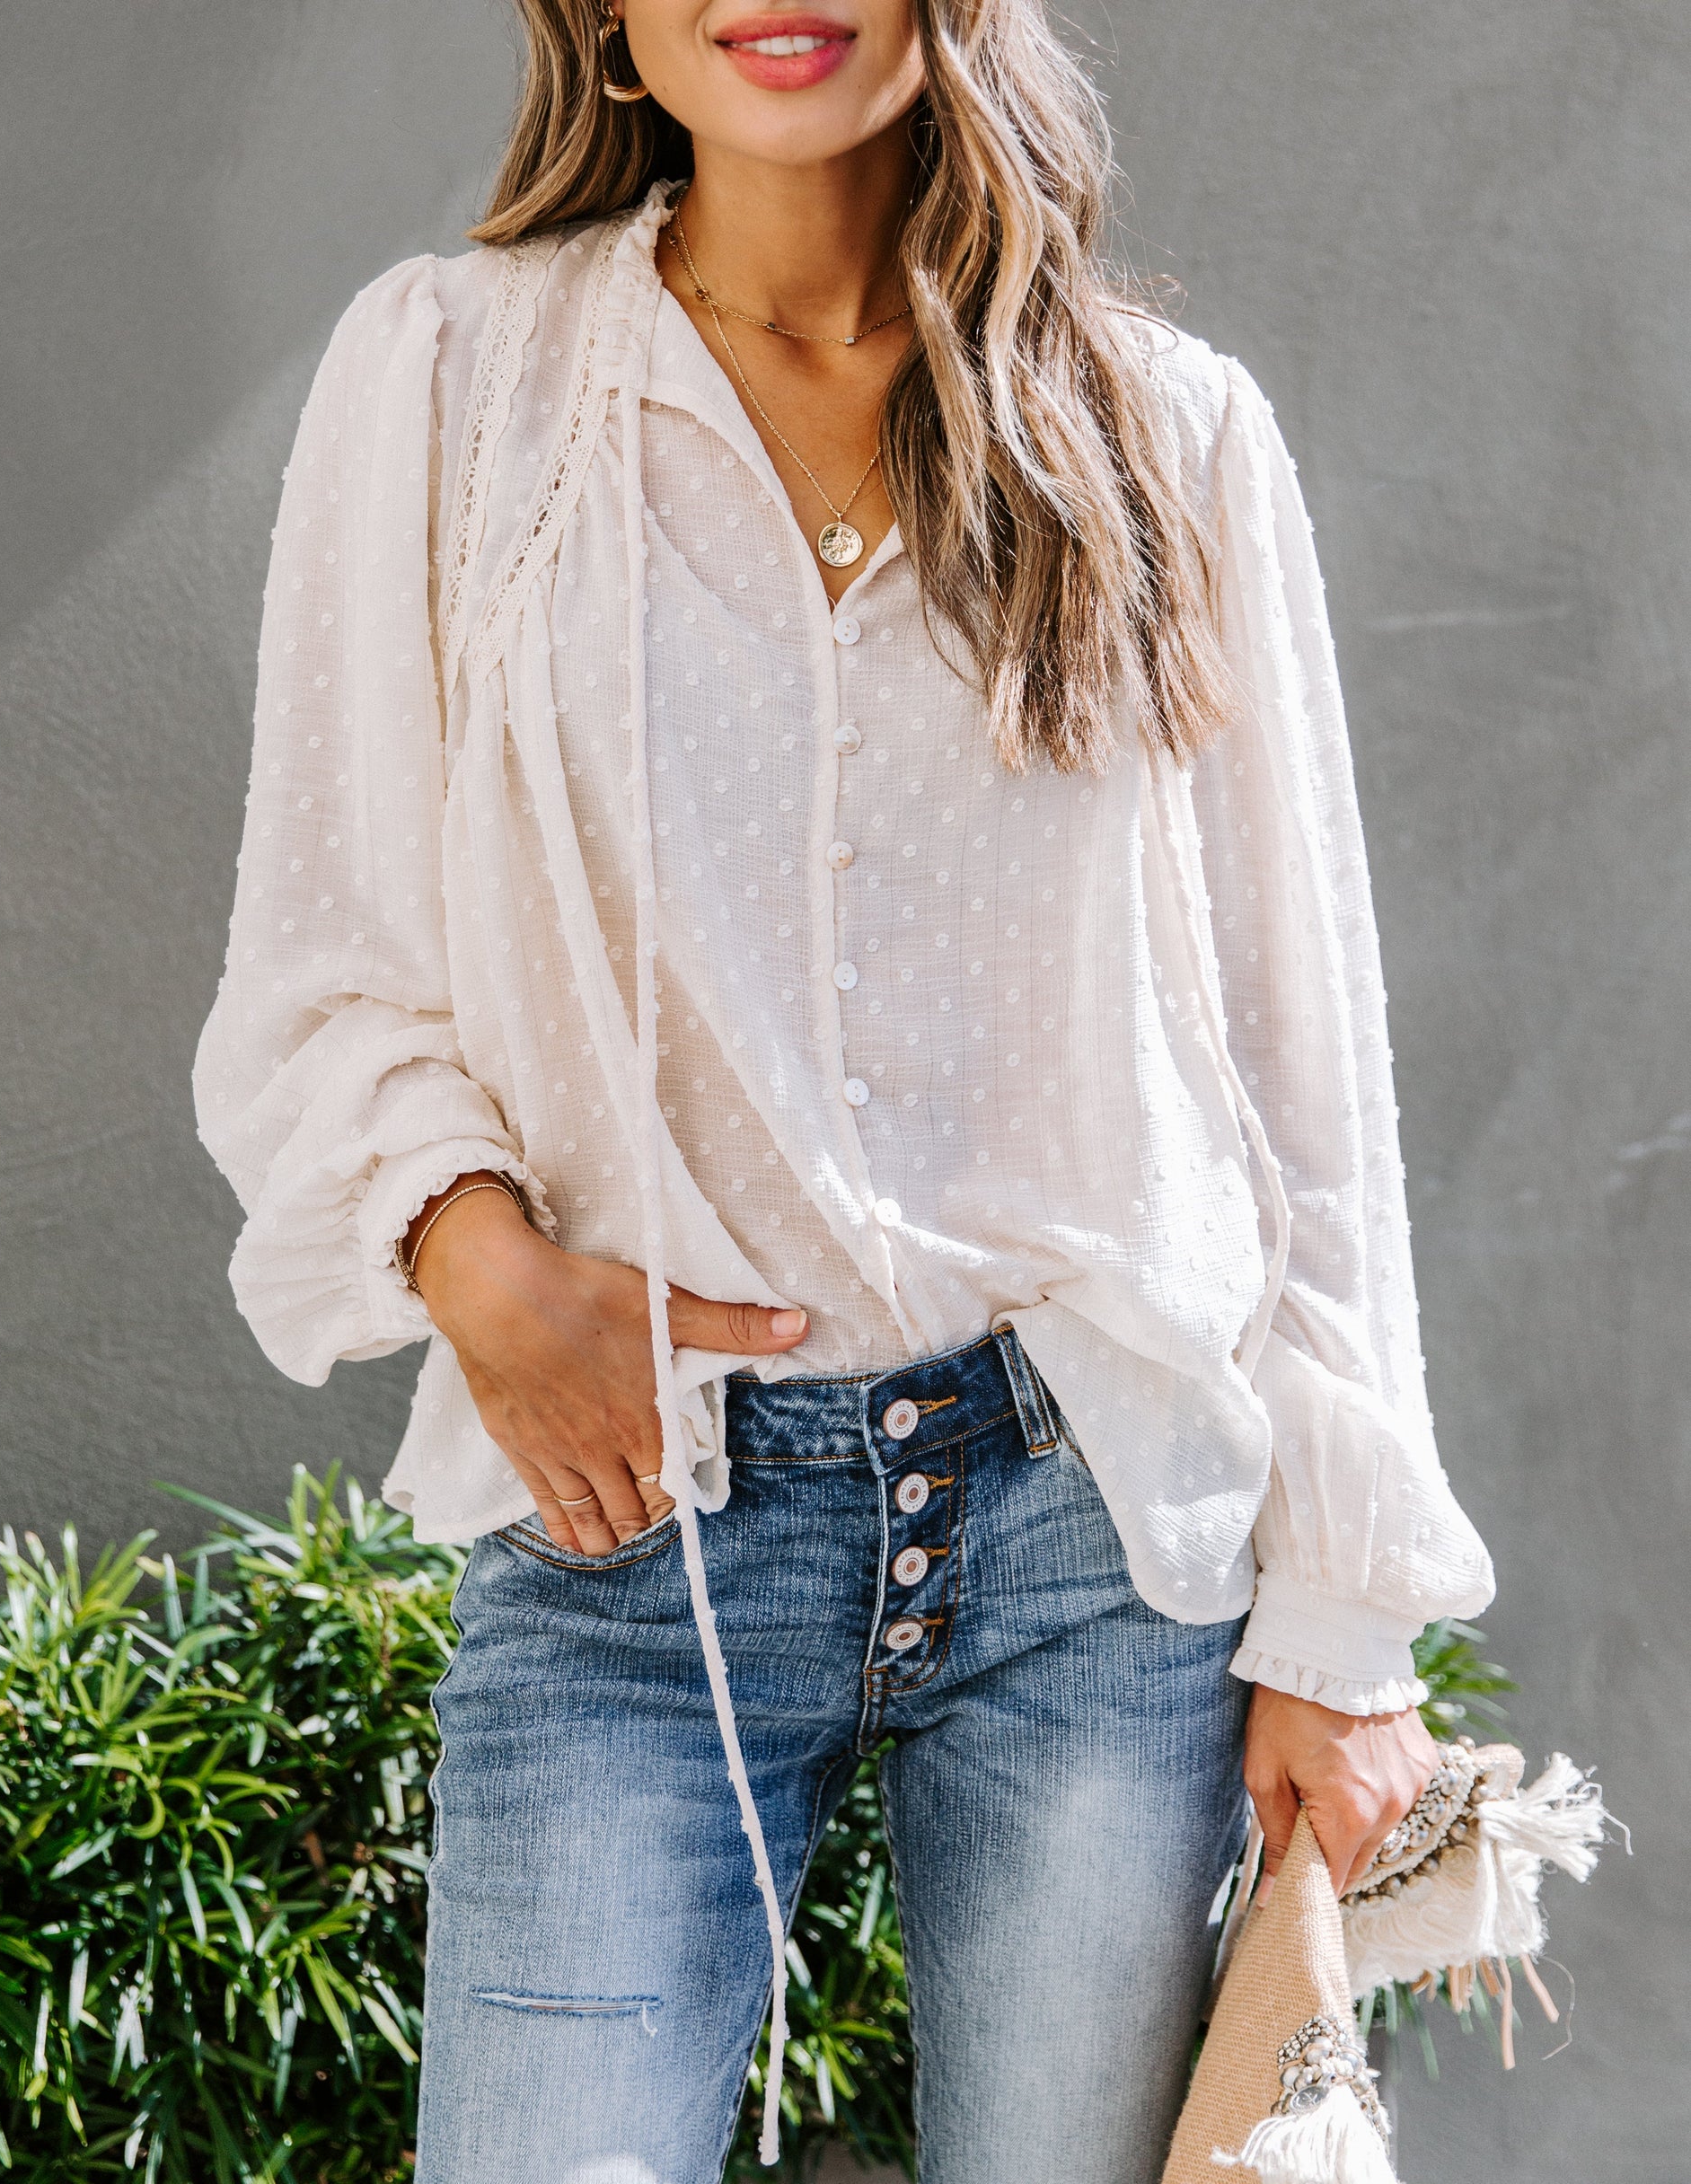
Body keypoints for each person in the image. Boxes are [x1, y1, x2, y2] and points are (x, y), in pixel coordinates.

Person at [193, 0, 1495, 2174]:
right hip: (635, 1516)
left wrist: (1348, 1618)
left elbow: (1297, 1072)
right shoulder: (448, 381)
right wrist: (483, 1273)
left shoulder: (1165, 434)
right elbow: (323, 958)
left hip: (1097, 1530)